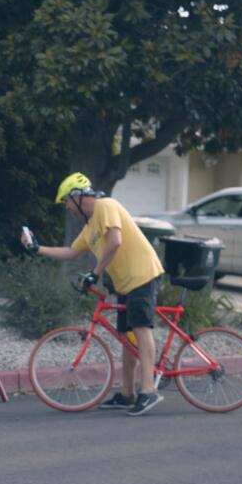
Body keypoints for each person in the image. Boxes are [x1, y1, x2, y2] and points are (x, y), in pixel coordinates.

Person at [20, 172, 166, 416]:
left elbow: (115, 241)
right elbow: (70, 252)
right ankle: (127, 394)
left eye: (66, 201)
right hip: (124, 283)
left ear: (77, 196)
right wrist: (37, 249)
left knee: (141, 329)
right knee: (126, 336)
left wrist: (95, 273)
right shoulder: (90, 228)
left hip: (143, 274)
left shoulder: (106, 206)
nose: (67, 208)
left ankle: (148, 390)